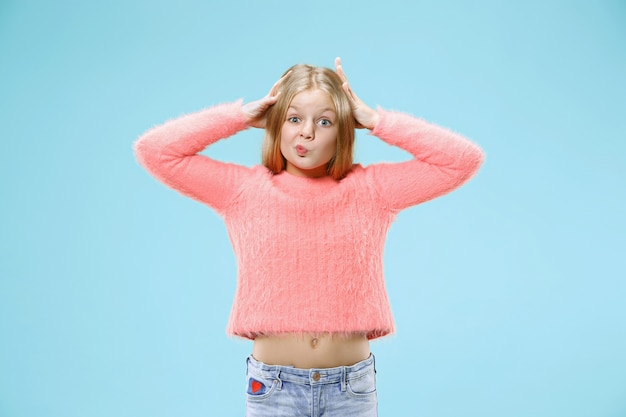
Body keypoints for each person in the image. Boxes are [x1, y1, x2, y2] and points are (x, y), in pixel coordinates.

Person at [134, 57, 484, 417]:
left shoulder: (371, 190)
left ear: (343, 129)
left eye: (325, 121)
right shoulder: (243, 190)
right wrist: (239, 117)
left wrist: (377, 121)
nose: (307, 133)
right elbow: (156, 151)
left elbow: (462, 160)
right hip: (274, 390)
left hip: (350, 390)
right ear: (276, 122)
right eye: (294, 118)